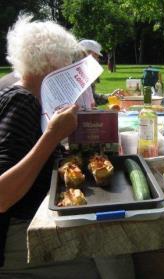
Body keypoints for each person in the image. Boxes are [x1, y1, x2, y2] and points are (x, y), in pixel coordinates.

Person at [0, 14, 87, 270]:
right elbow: (2, 196)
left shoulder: (21, 92)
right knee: (99, 260)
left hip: (27, 219)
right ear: (51, 61)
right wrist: (52, 136)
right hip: (14, 234)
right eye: (68, 62)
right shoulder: (23, 102)